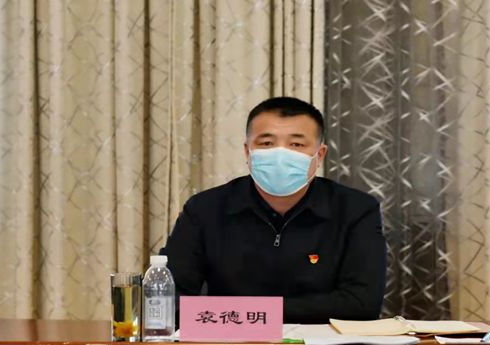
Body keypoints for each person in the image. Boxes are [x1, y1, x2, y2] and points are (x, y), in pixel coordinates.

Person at [160, 97, 387, 323]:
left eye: (296, 145)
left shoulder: (356, 209)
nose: (280, 155)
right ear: (248, 152)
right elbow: (168, 297)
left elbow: (362, 303)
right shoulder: (204, 209)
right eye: (267, 143)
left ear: (319, 155)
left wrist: (257, 313)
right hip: (232, 341)